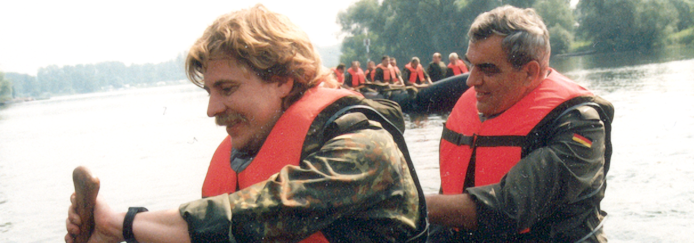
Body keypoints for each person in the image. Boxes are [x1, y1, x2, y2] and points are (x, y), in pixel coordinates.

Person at [65, 4, 428, 243]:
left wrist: (122, 223)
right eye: (209, 91)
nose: (212, 108)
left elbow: (262, 211)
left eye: (227, 88)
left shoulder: (365, 147)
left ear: (286, 79)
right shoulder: (245, 154)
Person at [426, 5, 614, 242]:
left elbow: (510, 206)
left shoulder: (580, 124)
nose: (471, 80)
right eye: (471, 64)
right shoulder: (472, 108)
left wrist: (412, 206)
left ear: (530, 73)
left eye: (488, 69)